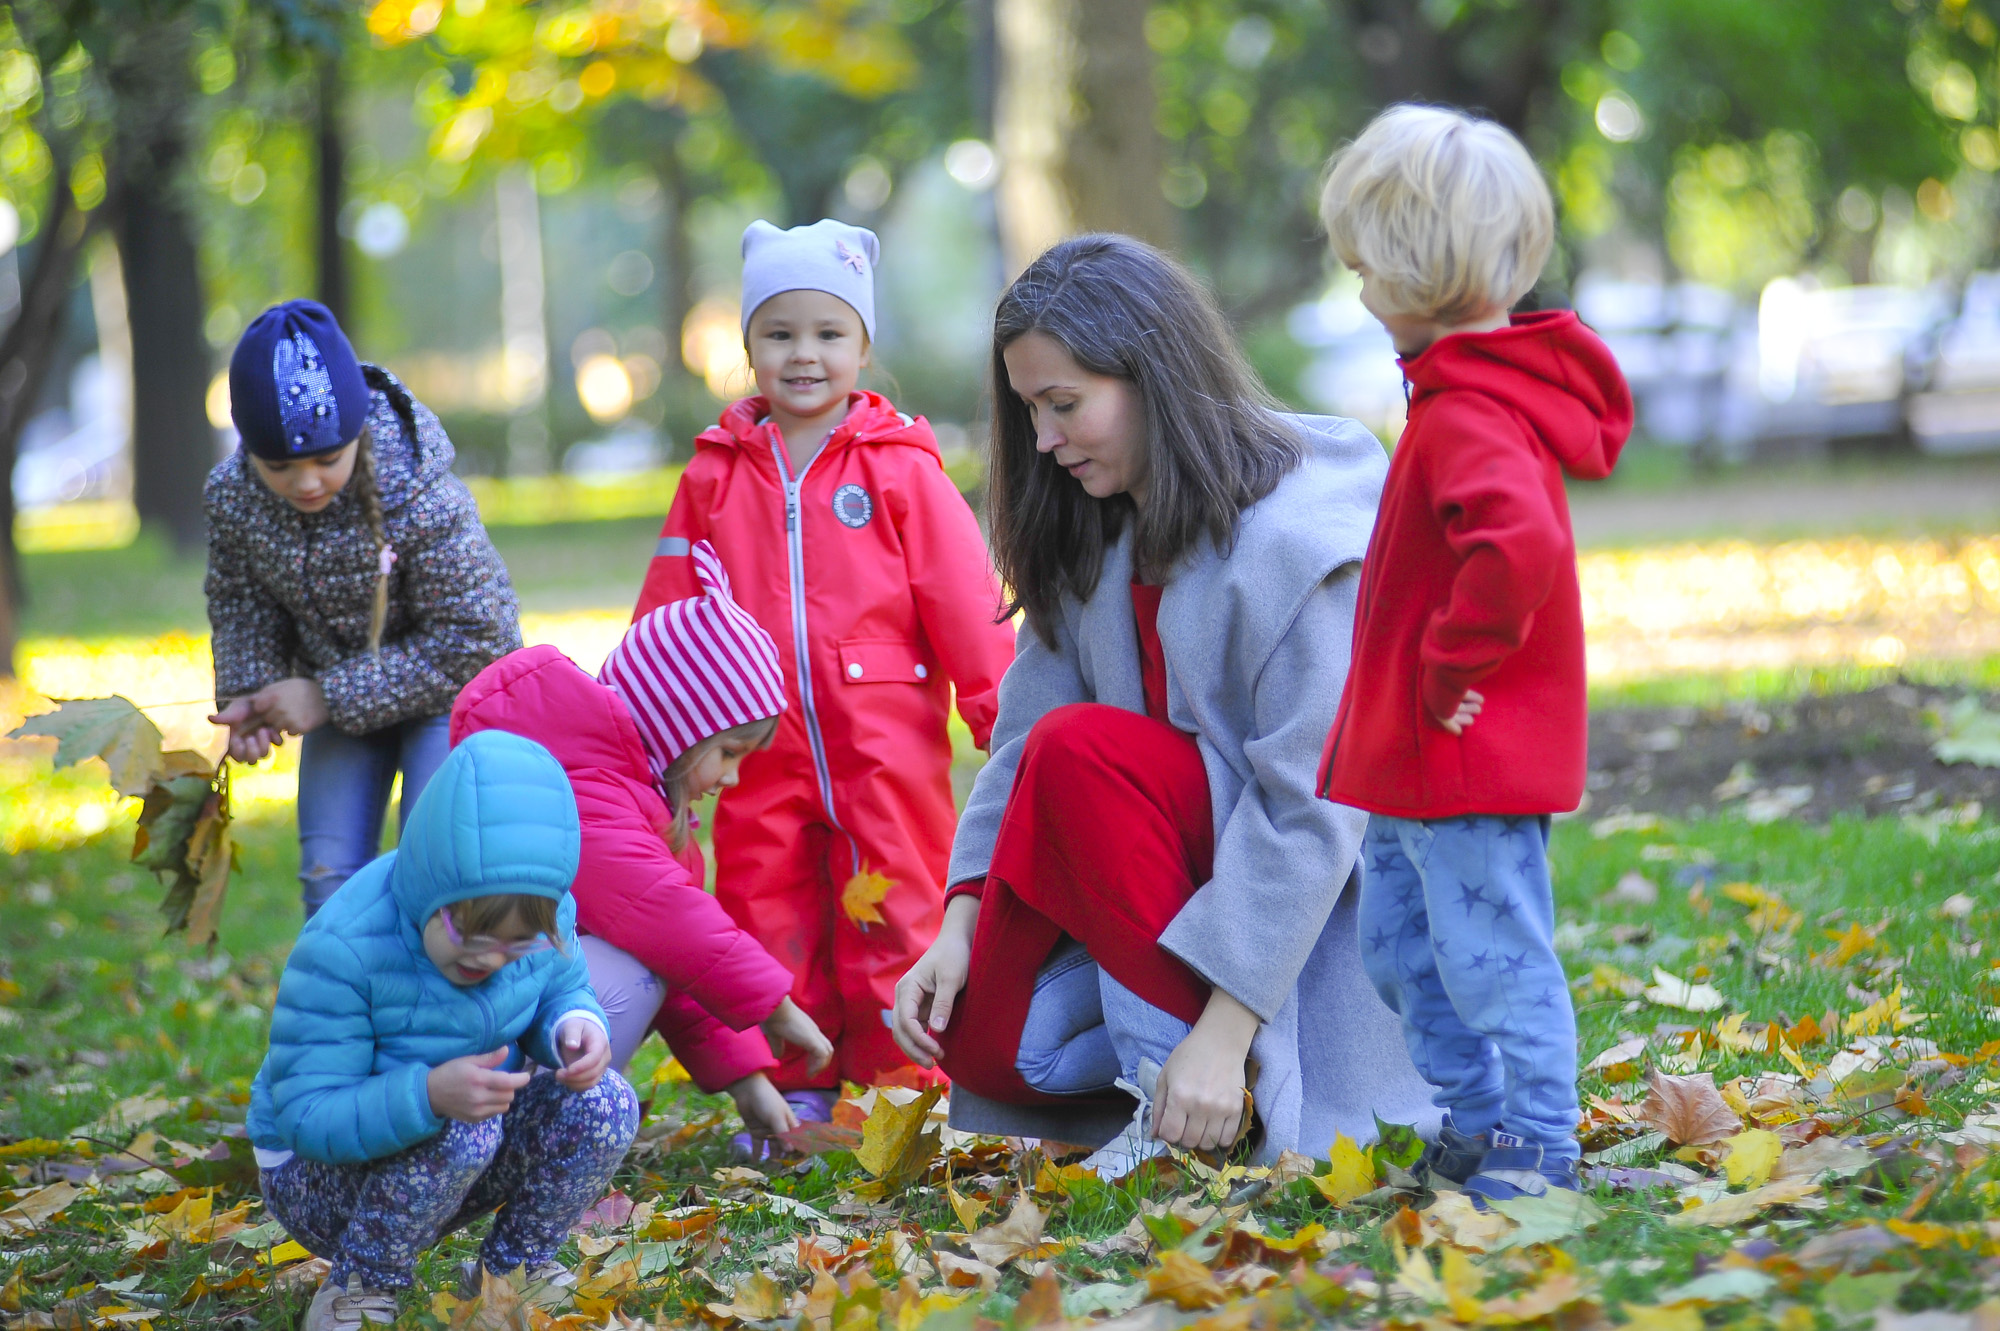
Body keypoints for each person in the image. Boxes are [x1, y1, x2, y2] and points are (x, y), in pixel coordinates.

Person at [889, 234, 1437, 1174]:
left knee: (1084, 751)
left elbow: (1314, 806)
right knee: (982, 1044)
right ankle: (1188, 1085)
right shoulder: (1097, 529)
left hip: (1306, 924)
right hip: (1171, 885)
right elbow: (1015, 742)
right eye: (1029, 410)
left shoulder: (1298, 532)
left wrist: (1224, 1031)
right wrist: (959, 922)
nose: (1044, 440)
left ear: (1154, 375)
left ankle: (1190, 1107)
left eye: (1065, 405)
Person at [1316, 105, 1633, 1204]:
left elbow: (1519, 546)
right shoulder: (1455, 395)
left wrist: (1450, 673)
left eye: (1364, 267)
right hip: (1414, 761)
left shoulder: (1468, 413)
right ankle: (1476, 1114)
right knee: (1401, 950)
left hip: (1461, 755)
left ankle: (1538, 1137)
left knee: (1490, 950)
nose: (1358, 292)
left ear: (1410, 267)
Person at [631, 219, 1015, 1112]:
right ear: (749, 345)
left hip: (884, 742)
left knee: (900, 902)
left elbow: (965, 601)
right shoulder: (716, 477)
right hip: (754, 748)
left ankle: (901, 1082)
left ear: (863, 346)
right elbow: (670, 611)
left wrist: (1004, 723)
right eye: (780, 333)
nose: (804, 355)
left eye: (828, 333)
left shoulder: (898, 469)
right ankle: (796, 1084)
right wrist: (652, 743)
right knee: (767, 908)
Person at [450, 540, 835, 1147]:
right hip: (474, 1048)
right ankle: (535, 1142)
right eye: (728, 754)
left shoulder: (631, 798)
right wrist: (775, 1006)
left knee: (648, 957)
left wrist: (745, 1078)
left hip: (503, 1022)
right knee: (637, 962)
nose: (731, 779)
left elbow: (683, 959)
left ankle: (538, 1129)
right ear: (678, 728)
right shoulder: (585, 797)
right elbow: (673, 929)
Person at [249, 729, 637, 1331]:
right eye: (473, 942)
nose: (495, 961)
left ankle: (511, 1275)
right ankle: (359, 1286)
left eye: (519, 947)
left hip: (453, 1147)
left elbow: (560, 986)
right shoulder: (345, 948)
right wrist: (427, 1094)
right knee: (465, 1128)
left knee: (605, 1102)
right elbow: (307, 1116)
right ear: (431, 891)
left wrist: (574, 1025)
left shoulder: (540, 915)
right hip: (318, 1177)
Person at [205, 300, 521, 919]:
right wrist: (252, 694)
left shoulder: (419, 492)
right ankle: (346, 1013)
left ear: (356, 433)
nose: (305, 483)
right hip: (345, 704)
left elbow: (479, 640)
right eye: (280, 466)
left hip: (447, 700)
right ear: (249, 451)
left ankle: (436, 1011)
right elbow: (242, 603)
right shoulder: (236, 499)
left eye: (327, 459)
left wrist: (324, 697)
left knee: (436, 872)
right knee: (329, 880)